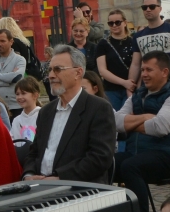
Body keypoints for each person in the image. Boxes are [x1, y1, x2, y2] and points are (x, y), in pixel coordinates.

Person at [111, 52, 170, 212]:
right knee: (103, 162)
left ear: (164, 72)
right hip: (136, 153)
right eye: (142, 69)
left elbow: (159, 128)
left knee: (130, 167)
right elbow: (117, 122)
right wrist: (144, 117)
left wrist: (131, 123)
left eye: (149, 69)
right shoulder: (137, 95)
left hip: (166, 156)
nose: (144, 74)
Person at [20, 47, 116, 184]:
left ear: (78, 73)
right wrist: (28, 174)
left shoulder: (98, 108)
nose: (51, 75)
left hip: (80, 189)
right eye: (50, 70)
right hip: (41, 186)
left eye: (58, 69)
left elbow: (100, 157)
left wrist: (60, 178)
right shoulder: (45, 112)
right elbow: (34, 152)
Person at [132, 0, 170, 84]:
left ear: (160, 8)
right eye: (144, 7)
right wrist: (131, 85)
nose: (148, 9)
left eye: (152, 6)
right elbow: (135, 64)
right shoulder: (138, 36)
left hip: (169, 85)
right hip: (147, 87)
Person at [94, 10, 140, 111]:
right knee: (114, 120)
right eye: (111, 23)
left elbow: (138, 64)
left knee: (129, 119)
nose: (114, 25)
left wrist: (130, 84)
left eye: (117, 22)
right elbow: (102, 70)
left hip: (132, 87)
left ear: (125, 22)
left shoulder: (134, 41)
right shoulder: (103, 44)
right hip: (111, 90)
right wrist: (124, 82)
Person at [7, 76, 44, 152]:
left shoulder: (42, 116)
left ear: (35, 95)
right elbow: (12, 140)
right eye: (17, 94)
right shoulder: (17, 120)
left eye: (23, 93)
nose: (20, 97)